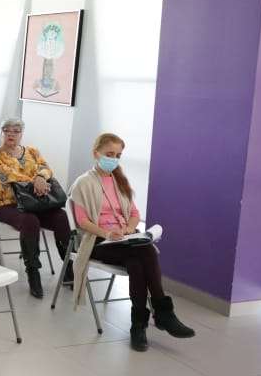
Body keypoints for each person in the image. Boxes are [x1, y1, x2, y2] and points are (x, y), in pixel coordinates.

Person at [69, 134, 195, 352]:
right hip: (99, 242)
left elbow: (135, 214)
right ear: (95, 153)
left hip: (125, 239)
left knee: (137, 263)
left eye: (118, 155)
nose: (114, 159)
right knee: (147, 252)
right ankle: (161, 312)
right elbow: (82, 222)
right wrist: (107, 233)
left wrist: (128, 229)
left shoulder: (120, 181)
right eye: (109, 154)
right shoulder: (83, 183)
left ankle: (139, 326)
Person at [0, 116, 73, 300]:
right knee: (30, 221)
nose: (11, 134)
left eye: (16, 131)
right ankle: (33, 272)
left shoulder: (32, 151)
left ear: (21, 134)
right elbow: (6, 175)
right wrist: (36, 181)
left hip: (35, 202)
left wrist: (41, 176)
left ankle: (68, 267)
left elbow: (47, 169)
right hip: (5, 204)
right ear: (1, 133)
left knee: (62, 217)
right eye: (7, 130)